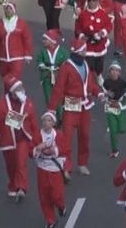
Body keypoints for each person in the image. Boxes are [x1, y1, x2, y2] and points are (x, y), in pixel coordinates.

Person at [47, 36, 99, 175]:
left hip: (85, 106)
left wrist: (97, 92)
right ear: (78, 52)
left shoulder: (86, 65)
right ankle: (66, 167)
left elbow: (91, 83)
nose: (85, 52)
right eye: (84, 50)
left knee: (85, 135)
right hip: (71, 106)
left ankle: (82, 163)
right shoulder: (66, 67)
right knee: (67, 137)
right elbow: (58, 89)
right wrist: (51, 109)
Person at [0, 77, 37, 203]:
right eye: (18, 89)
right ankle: (13, 184)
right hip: (7, 139)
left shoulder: (28, 103)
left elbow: (33, 122)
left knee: (21, 162)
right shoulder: (2, 103)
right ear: (12, 91)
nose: (22, 90)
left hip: (23, 138)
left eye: (22, 88)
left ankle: (22, 187)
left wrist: (37, 138)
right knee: (11, 165)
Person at [32, 111, 68, 228]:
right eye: (44, 121)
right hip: (42, 168)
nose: (46, 123)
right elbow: (30, 151)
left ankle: (61, 206)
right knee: (44, 196)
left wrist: (54, 150)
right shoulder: (37, 135)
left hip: (54, 169)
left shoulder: (58, 135)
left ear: (53, 123)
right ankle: (50, 220)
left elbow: (65, 149)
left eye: (48, 120)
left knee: (57, 194)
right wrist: (37, 148)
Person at [102, 62, 126, 159]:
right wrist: (104, 98)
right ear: (109, 72)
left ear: (119, 73)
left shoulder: (123, 83)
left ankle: (121, 128)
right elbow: (103, 93)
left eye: (116, 71)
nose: (114, 72)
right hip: (110, 108)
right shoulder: (106, 83)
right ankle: (114, 150)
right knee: (113, 129)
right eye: (112, 70)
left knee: (122, 129)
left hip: (120, 108)